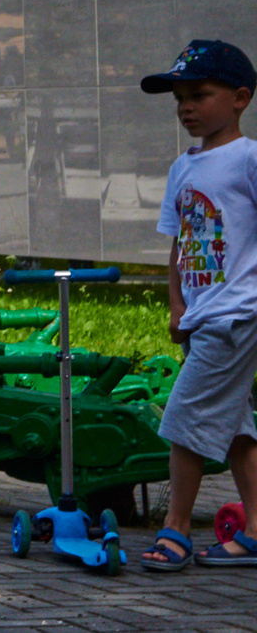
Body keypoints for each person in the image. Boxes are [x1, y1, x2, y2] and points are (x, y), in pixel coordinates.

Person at [138, 38, 257, 571]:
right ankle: (255, 532)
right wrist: (176, 306)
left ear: (240, 98)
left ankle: (176, 530)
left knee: (184, 417)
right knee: (235, 428)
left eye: (199, 94)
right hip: (202, 313)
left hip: (237, 313)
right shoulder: (181, 168)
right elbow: (179, 245)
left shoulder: (249, 158)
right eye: (179, 98)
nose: (186, 106)